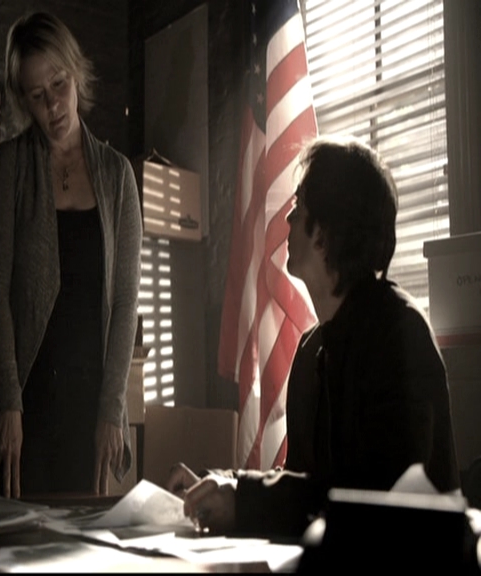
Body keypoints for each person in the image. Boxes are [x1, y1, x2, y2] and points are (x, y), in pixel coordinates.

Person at [166, 136, 460, 537]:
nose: (288, 219)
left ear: (324, 232)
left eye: (299, 206)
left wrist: (245, 499)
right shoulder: (311, 349)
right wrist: (219, 483)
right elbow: (304, 484)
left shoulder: (401, 335)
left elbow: (379, 501)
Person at [0, 11, 142, 499]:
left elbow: (125, 302)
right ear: (23, 100)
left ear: (76, 73)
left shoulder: (117, 176)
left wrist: (112, 409)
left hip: (91, 404)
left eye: (59, 84)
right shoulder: (8, 166)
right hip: (28, 401)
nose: (53, 105)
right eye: (37, 95)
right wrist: (9, 402)